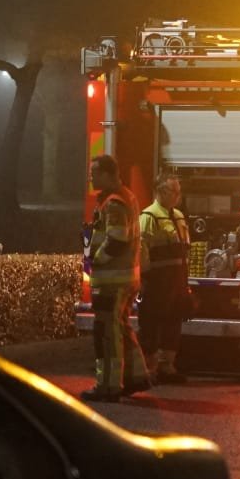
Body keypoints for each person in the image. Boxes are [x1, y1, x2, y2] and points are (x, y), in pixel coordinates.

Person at [83, 154, 150, 402]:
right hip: (125, 278)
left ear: (108, 174)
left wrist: (94, 259)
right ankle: (135, 377)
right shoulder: (126, 197)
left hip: (112, 282)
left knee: (106, 334)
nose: (91, 177)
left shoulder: (113, 203)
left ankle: (108, 386)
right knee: (121, 327)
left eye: (94, 173)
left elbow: (117, 239)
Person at [138, 171, 192, 384]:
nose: (178, 195)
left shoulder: (178, 216)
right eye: (173, 191)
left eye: (179, 191)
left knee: (173, 322)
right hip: (156, 280)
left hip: (176, 280)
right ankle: (149, 369)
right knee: (151, 324)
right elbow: (141, 250)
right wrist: (143, 279)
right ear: (160, 191)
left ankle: (167, 367)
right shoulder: (148, 217)